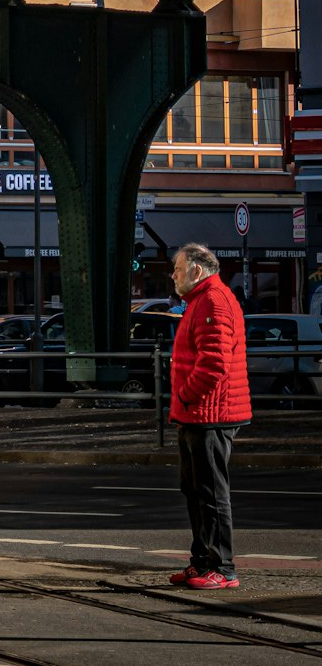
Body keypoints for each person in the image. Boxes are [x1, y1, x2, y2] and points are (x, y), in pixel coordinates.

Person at [166, 242, 250, 591]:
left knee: (211, 493)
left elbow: (213, 365)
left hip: (209, 414)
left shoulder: (213, 301)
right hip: (198, 413)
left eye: (178, 268)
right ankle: (202, 561)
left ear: (197, 270)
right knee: (196, 490)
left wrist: (185, 396)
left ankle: (222, 567)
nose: (173, 275)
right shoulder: (202, 300)